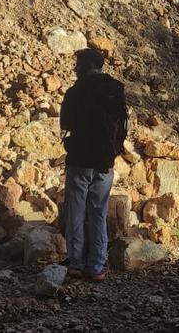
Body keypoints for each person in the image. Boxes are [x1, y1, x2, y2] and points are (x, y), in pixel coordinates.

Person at [59, 47, 128, 281]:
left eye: (78, 64)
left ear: (86, 65)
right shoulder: (116, 90)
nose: (75, 68)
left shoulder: (76, 91)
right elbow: (122, 127)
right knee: (99, 211)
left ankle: (76, 263)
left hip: (79, 159)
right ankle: (97, 265)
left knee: (75, 210)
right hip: (105, 160)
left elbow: (65, 123)